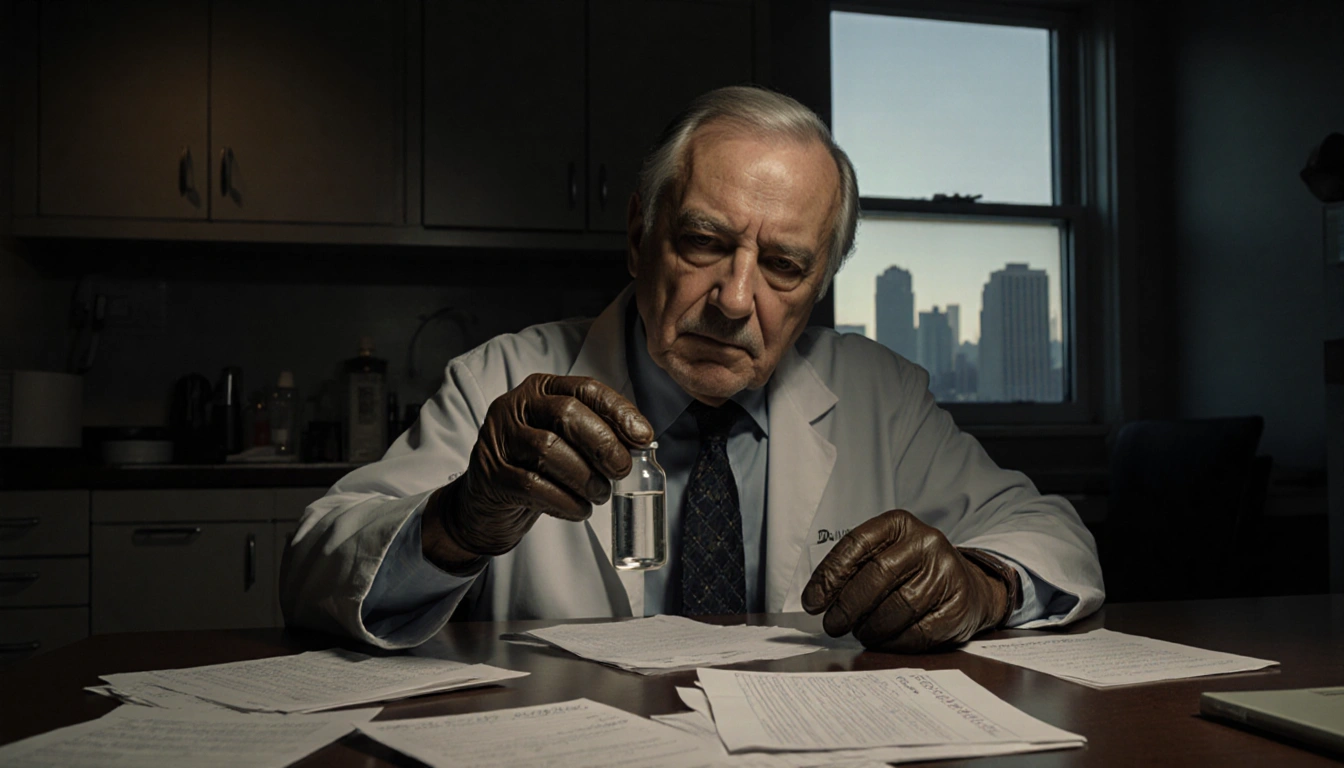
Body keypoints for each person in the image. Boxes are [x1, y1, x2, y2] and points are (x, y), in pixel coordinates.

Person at [280, 86, 1103, 652]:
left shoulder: (880, 395)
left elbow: (1057, 538)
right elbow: (315, 565)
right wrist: (458, 520)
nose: (736, 300)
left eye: (784, 265)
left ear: (821, 283)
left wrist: (981, 586)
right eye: (705, 242)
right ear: (640, 232)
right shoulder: (503, 377)